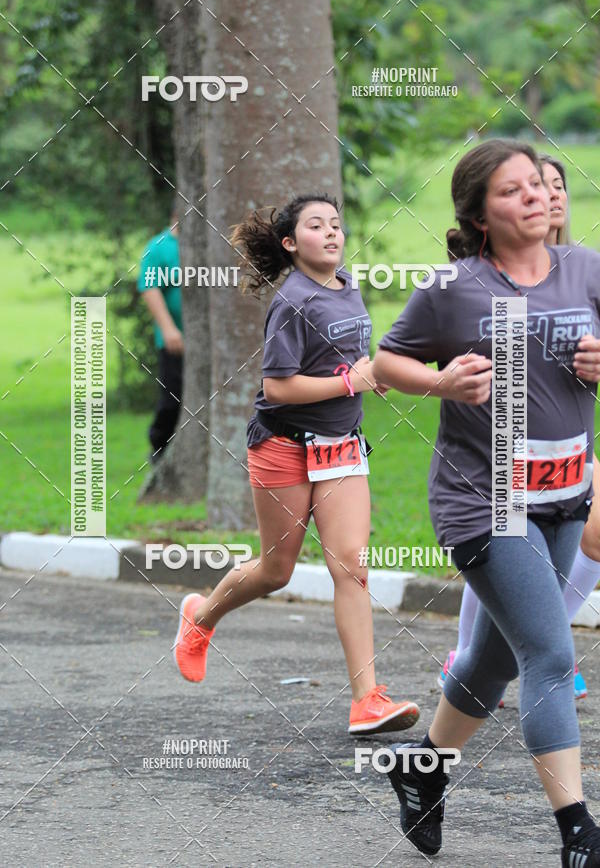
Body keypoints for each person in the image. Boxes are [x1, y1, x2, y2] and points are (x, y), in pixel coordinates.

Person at [372, 140, 600, 863]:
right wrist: (438, 383)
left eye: (537, 183)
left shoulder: (587, 269)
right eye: (512, 189)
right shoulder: (453, 287)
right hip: (485, 501)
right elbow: (386, 361)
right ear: (478, 213)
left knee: (494, 658)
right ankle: (578, 832)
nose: (534, 195)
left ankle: (422, 765)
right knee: (550, 652)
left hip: (565, 494)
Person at [172, 193, 420, 735]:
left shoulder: (349, 285)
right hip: (284, 445)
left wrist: (365, 372)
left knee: (352, 567)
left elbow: (345, 355)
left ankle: (367, 700)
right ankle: (200, 618)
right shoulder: (293, 302)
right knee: (275, 571)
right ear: (290, 243)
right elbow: (278, 386)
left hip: (341, 447)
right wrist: (348, 380)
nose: (332, 233)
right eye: (316, 226)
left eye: (336, 224)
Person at [438, 154, 600, 702]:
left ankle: (531, 644)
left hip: (569, 451)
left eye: (556, 186)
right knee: (507, 555)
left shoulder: (582, 269)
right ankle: (491, 652)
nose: (549, 196)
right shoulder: (492, 282)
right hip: (506, 458)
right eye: (535, 186)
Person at [137, 208, 183, 462]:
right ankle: (159, 449)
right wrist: (168, 329)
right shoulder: (158, 247)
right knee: (172, 400)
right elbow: (149, 288)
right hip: (174, 341)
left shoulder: (210, 246)